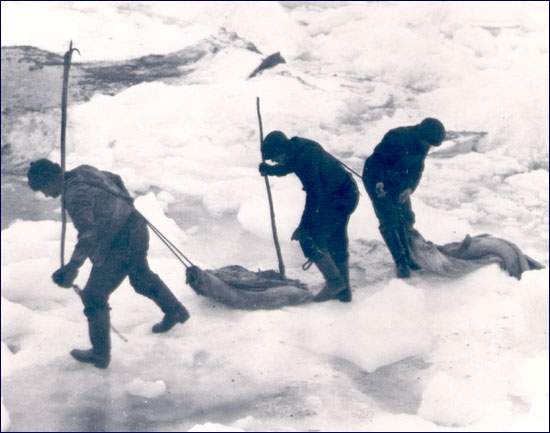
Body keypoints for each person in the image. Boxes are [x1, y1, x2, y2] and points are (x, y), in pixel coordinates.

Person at [27, 159, 189, 369]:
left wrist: (72, 267)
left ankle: (100, 354)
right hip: (136, 226)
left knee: (94, 296)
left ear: (52, 178)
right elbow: (115, 179)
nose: (46, 195)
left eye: (44, 188)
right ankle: (175, 311)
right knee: (140, 277)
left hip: (121, 240)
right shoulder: (83, 171)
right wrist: (124, 205)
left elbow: (88, 234)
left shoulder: (75, 195)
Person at [259, 131, 359, 303]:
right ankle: (344, 290)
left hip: (338, 198)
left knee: (310, 238)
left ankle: (335, 283)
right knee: (335, 240)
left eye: (274, 158)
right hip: (345, 192)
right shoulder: (297, 148)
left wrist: (304, 225)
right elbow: (289, 166)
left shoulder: (305, 157)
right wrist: (271, 170)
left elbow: (315, 195)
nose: (275, 161)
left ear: (282, 150)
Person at [362, 118, 446, 278]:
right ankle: (401, 261)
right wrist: (379, 182)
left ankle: (409, 255)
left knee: (407, 217)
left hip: (398, 180)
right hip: (375, 178)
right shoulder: (397, 137)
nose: (427, 147)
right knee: (389, 219)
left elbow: (417, 168)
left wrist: (409, 188)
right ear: (421, 135)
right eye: (427, 143)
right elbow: (378, 161)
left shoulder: (423, 143)